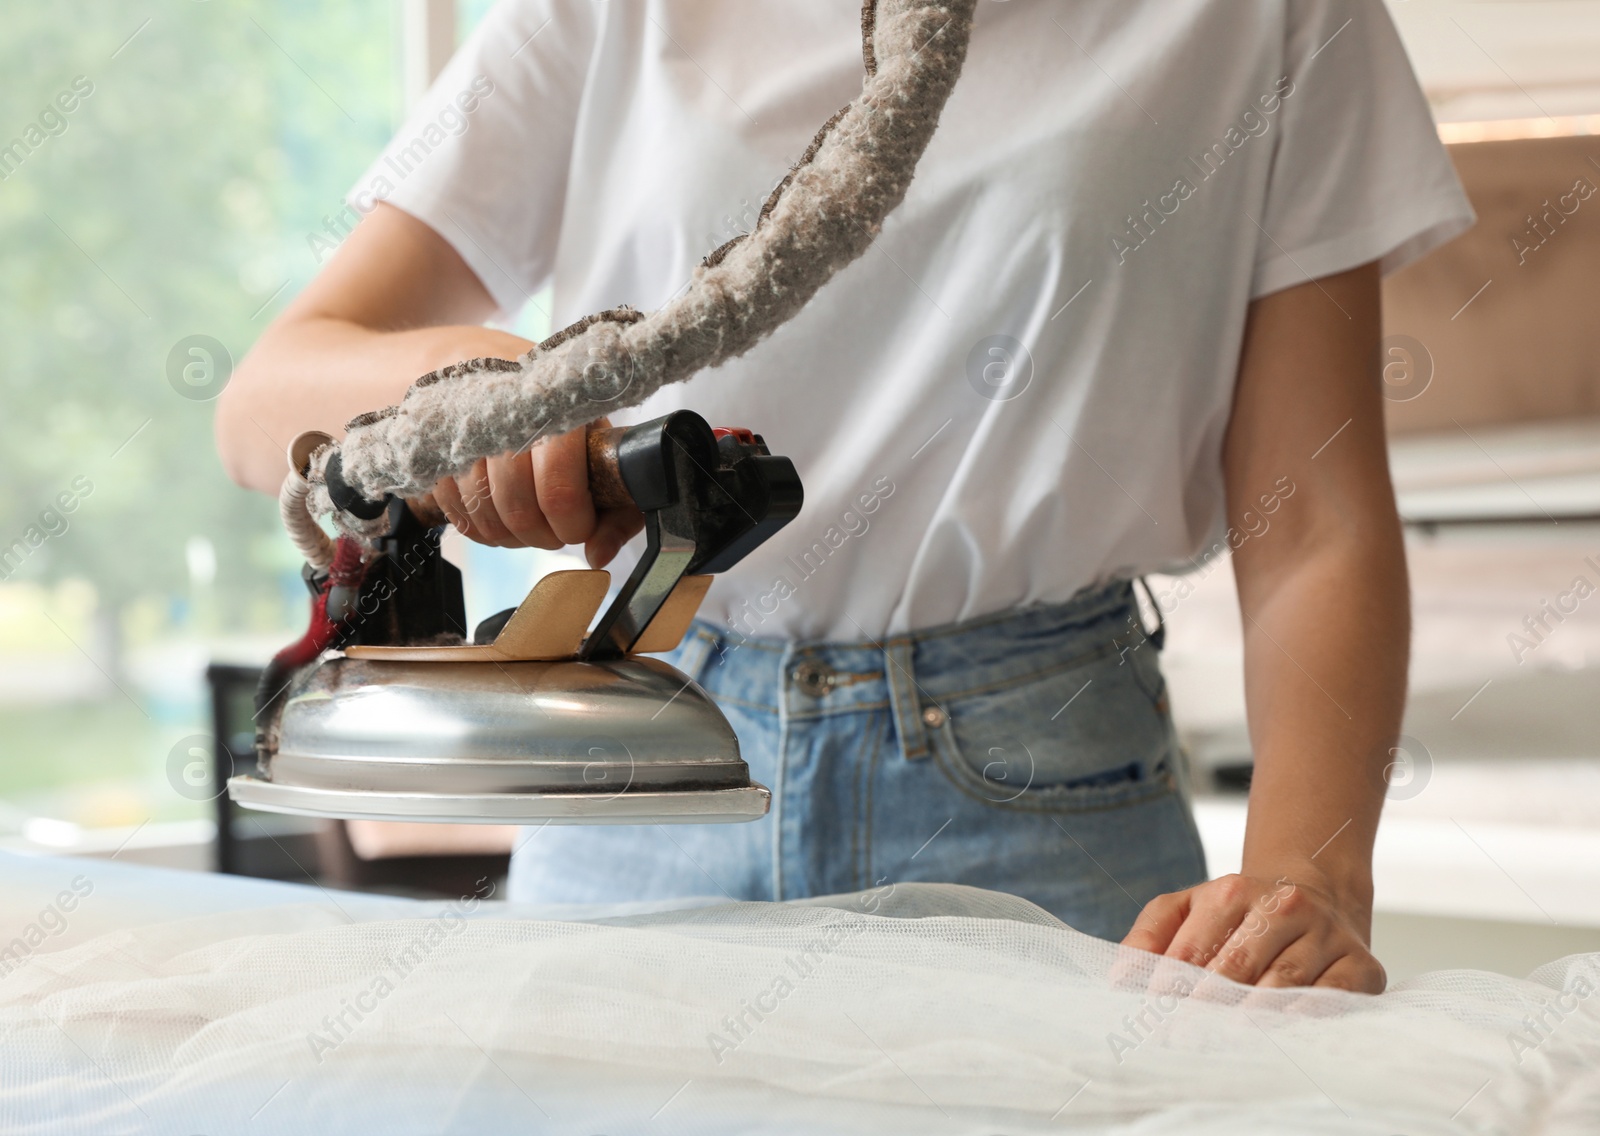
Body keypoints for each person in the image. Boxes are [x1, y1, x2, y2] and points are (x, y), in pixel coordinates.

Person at [216, 0, 1473, 992]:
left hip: (1044, 790)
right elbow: (268, 394)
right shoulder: (609, 11)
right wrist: (474, 392)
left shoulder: (1279, 16)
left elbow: (1313, 526)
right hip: (645, 761)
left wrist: (1310, 873)